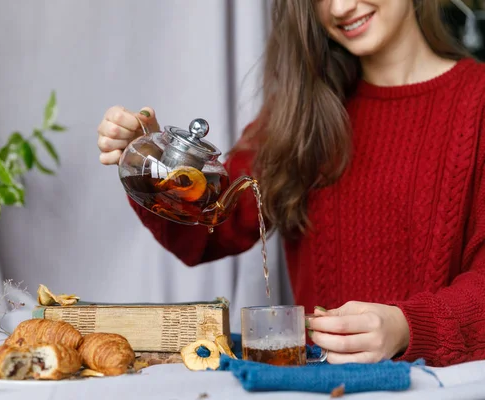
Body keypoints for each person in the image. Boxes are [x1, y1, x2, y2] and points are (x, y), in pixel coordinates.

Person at [97, 0, 485, 367]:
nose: (339, 8)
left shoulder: (477, 101)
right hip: (315, 385)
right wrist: (154, 168)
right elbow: (210, 230)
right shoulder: (303, 114)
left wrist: (408, 326)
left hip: (439, 386)